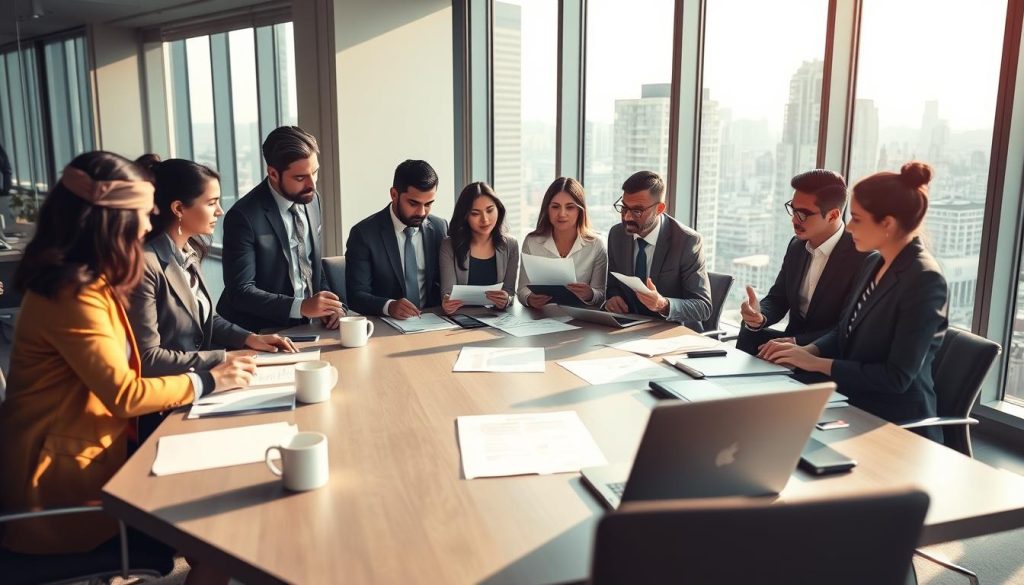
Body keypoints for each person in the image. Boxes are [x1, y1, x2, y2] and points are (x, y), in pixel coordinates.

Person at [0, 151, 255, 557]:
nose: (149, 219)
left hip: (95, 462)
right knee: (219, 526)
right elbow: (125, 394)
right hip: (61, 493)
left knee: (217, 515)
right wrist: (210, 379)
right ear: (111, 220)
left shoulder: (87, 281)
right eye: (142, 210)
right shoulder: (74, 292)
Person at [761, 162, 947, 440]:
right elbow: (845, 329)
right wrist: (809, 349)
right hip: (849, 404)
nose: (849, 229)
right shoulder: (874, 262)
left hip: (895, 425)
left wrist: (817, 363)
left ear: (887, 224)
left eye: (857, 219)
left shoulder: (924, 279)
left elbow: (896, 378)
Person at [128, 157, 296, 439]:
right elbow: (148, 358)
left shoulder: (189, 252)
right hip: (167, 407)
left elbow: (205, 318)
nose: (220, 210)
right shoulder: (145, 264)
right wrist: (223, 357)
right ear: (179, 208)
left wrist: (249, 338)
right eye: (211, 202)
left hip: (204, 393)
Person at [217, 126, 344, 333]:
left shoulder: (311, 200)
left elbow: (311, 264)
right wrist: (301, 307)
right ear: (273, 173)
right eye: (300, 178)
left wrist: (330, 306)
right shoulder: (243, 216)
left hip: (308, 327)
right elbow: (240, 291)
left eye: (315, 172)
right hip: (258, 332)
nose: (312, 184)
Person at [736, 170, 873, 354]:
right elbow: (778, 298)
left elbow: (847, 327)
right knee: (748, 333)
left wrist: (797, 342)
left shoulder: (862, 256)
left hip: (828, 356)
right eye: (793, 209)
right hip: (789, 348)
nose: (794, 219)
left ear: (833, 215)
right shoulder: (796, 246)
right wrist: (760, 316)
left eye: (803, 214)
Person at [604, 171, 711, 328]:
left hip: (672, 332)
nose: (627, 217)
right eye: (624, 208)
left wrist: (663, 304)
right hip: (627, 328)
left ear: (660, 209)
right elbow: (613, 285)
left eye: (637, 211)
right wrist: (613, 297)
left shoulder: (687, 241)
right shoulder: (617, 234)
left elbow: (703, 307)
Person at [346, 159, 449, 318]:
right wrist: (389, 306)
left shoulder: (439, 227)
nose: (422, 212)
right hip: (386, 326)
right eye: (413, 203)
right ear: (394, 194)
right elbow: (356, 296)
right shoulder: (364, 234)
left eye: (428, 204)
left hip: (432, 321)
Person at [517, 177, 607, 308]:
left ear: (580, 210)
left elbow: (600, 296)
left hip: (580, 320)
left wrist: (589, 294)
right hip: (541, 317)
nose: (562, 214)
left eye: (570, 207)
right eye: (555, 207)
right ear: (547, 209)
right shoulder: (532, 241)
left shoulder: (596, 244)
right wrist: (530, 298)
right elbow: (522, 290)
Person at [439, 182, 519, 314]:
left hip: (497, 321)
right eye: (475, 214)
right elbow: (447, 293)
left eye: (490, 210)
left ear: (498, 209)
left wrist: (506, 300)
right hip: (460, 320)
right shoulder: (449, 246)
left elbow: (509, 292)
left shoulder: (510, 244)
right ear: (465, 216)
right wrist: (447, 303)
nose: (485, 220)